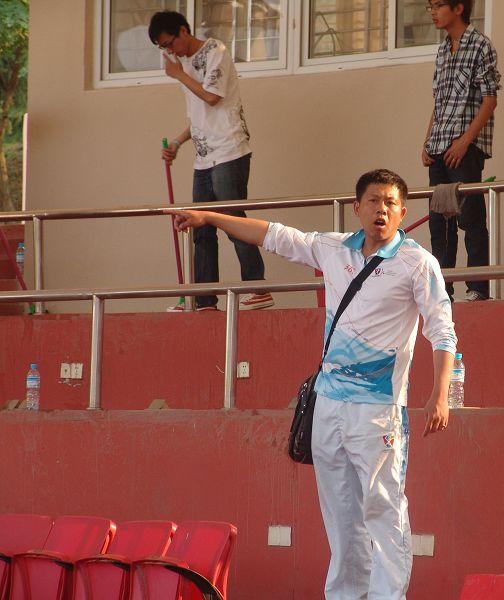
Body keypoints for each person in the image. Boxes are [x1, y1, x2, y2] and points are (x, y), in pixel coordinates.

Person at [169, 169, 457, 598]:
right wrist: (210, 217)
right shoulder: (334, 249)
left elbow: (442, 330)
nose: (381, 209)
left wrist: (440, 393)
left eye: (390, 203)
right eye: (373, 201)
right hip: (328, 406)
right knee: (341, 517)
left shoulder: (417, 263)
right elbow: (274, 235)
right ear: (356, 207)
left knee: (383, 511)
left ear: (402, 212)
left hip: (378, 410)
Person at [148, 11, 273, 312]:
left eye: (169, 43)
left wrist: (179, 74)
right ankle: (204, 300)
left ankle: (258, 288)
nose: (170, 51)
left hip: (230, 150)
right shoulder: (186, 64)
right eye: (163, 48)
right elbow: (200, 116)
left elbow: (212, 98)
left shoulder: (215, 51)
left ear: (183, 31)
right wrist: (178, 142)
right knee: (200, 228)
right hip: (203, 158)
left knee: (233, 220)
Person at [421, 0, 500, 302]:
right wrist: (428, 141)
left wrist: (466, 141)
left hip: (465, 146)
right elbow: (439, 102)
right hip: (440, 144)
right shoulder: (443, 50)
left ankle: (478, 287)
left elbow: (490, 99)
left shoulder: (480, 45)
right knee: (439, 221)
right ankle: (443, 290)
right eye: (430, 6)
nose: (433, 12)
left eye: (439, 5)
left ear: (458, 8)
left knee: (470, 217)